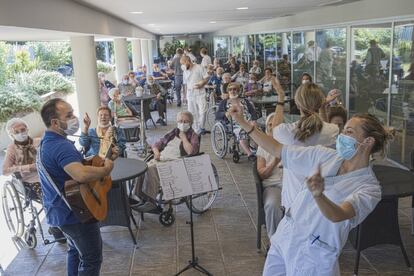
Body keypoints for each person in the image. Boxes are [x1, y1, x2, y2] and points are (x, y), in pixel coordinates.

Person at [230, 101, 391, 274]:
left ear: (367, 142)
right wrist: (242, 121)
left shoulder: (369, 188)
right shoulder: (324, 155)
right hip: (287, 234)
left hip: (315, 254)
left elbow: (340, 215)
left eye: (349, 132)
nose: (342, 136)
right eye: (343, 130)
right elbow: (277, 149)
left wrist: (319, 196)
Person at [37, 98, 118, 276]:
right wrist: (106, 169)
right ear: (55, 122)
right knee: (91, 259)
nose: (75, 117)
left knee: (75, 251)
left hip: (60, 212)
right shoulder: (60, 146)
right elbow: (80, 174)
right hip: (74, 214)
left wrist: (103, 160)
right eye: (69, 115)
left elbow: (73, 169)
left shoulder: (46, 142)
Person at [272, 83, 339, 210]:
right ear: (320, 103)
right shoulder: (333, 130)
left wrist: (281, 99)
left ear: (297, 105)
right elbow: (324, 126)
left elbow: (273, 129)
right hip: (322, 201)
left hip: (293, 201)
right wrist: (323, 108)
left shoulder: (286, 133)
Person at [3, 118, 66, 242]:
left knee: (67, 188)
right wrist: (28, 168)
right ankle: (55, 226)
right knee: (50, 197)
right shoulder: (12, 149)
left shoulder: (39, 141)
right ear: (11, 134)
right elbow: (5, 170)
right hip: (31, 181)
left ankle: (65, 221)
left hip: (48, 175)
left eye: (23, 129)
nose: (21, 132)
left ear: (27, 129)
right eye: (17, 131)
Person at [133, 111, 200, 211]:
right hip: (162, 159)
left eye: (185, 121)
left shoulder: (193, 136)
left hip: (176, 164)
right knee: (142, 168)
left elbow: (191, 151)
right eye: (180, 121)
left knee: (151, 169)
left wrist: (184, 138)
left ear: (190, 123)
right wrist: (156, 153)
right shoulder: (174, 132)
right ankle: (139, 197)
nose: (182, 123)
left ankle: (151, 202)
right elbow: (156, 144)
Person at [256, 113, 283, 239]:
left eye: (276, 125)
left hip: (292, 184)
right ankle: (274, 241)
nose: (273, 127)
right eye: (270, 125)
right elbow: (261, 174)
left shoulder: (290, 143)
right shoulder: (263, 146)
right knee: (272, 204)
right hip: (273, 186)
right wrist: (274, 163)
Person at [216, 82, 257, 161]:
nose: (232, 91)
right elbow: (217, 115)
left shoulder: (245, 101)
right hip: (235, 124)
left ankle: (257, 150)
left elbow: (252, 112)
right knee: (242, 132)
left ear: (238, 91)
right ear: (228, 91)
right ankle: (250, 154)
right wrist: (226, 113)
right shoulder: (224, 102)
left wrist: (254, 120)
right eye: (230, 89)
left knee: (257, 131)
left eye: (235, 89)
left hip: (248, 121)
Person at [181, 55, 210, 134]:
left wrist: (202, 84)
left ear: (188, 61)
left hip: (200, 92)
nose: (182, 66)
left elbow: (207, 78)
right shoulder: (185, 70)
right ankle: (196, 129)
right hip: (190, 93)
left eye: (183, 63)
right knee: (192, 112)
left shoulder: (199, 67)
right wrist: (184, 95)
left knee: (203, 111)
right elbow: (185, 84)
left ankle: (201, 127)